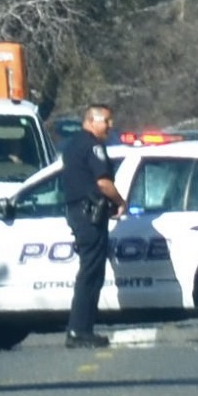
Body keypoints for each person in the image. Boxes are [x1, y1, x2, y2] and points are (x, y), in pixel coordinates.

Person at [60, 104, 126, 349]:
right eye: (106, 121)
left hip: (79, 212)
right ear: (90, 120)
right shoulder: (93, 145)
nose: (110, 126)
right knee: (91, 273)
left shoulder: (73, 144)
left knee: (90, 272)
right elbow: (103, 183)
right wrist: (120, 202)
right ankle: (79, 330)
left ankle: (81, 329)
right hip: (89, 215)